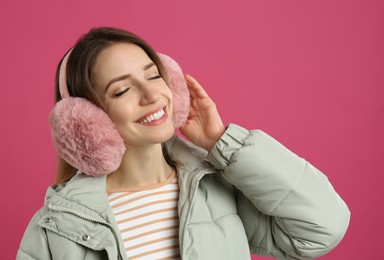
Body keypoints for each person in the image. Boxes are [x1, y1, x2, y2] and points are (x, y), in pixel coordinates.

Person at [17, 27, 350, 260]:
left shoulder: (216, 190)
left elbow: (322, 227)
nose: (151, 95)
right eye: (122, 90)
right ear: (85, 122)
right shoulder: (55, 227)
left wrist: (223, 143)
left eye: (153, 75)